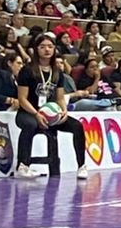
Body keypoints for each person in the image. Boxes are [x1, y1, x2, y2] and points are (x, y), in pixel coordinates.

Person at [15, 32, 88, 179]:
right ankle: (22, 166)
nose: (47, 50)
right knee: (30, 125)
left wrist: (64, 111)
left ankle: (81, 166)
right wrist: (36, 114)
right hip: (28, 112)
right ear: (36, 49)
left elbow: (60, 97)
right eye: (42, 47)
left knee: (77, 126)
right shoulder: (27, 70)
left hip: (50, 114)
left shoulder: (57, 72)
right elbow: (22, 99)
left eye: (50, 46)